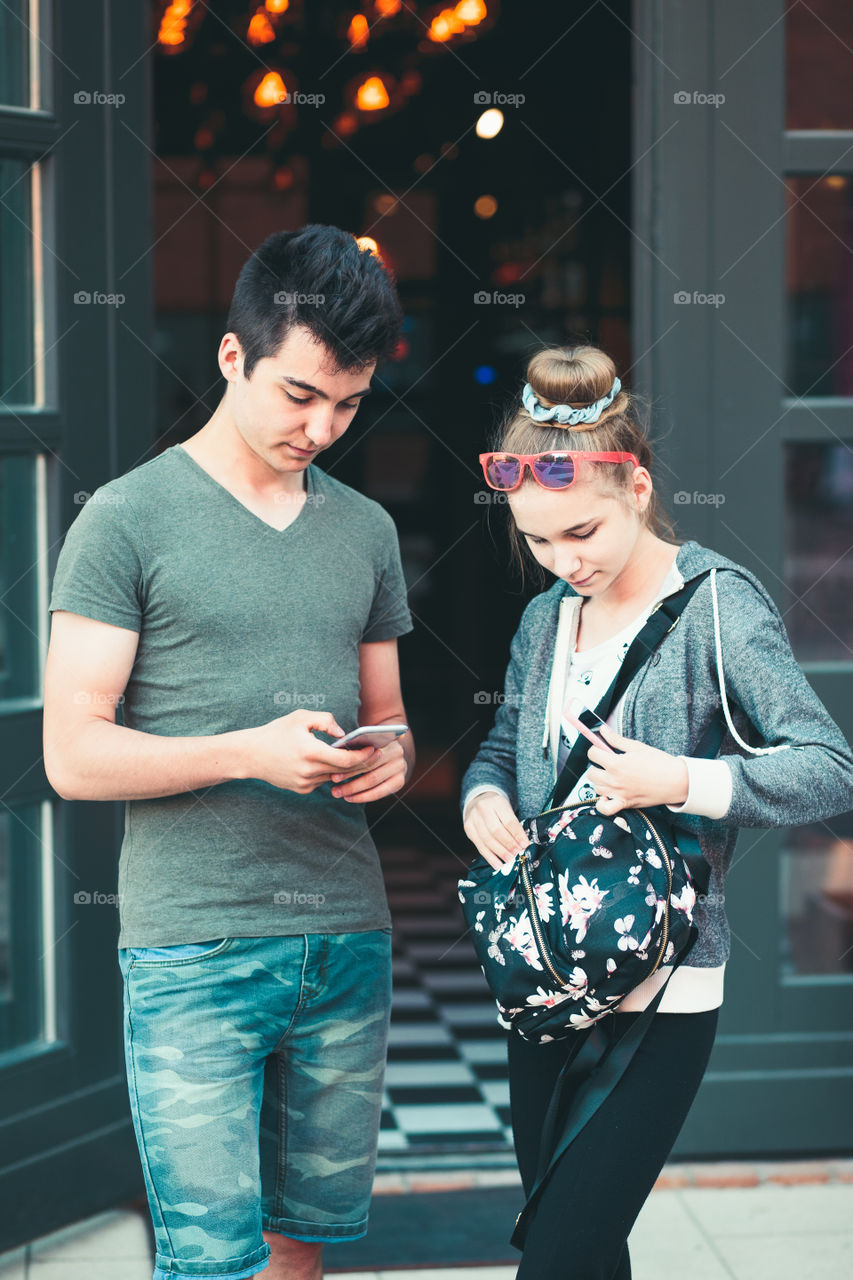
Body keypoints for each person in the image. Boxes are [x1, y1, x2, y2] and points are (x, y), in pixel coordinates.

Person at [43, 225, 415, 1280]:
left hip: (346, 934)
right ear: (230, 355)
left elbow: (388, 714)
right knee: (209, 1262)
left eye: (347, 402)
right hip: (193, 947)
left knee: (305, 1251)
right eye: (299, 394)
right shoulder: (124, 520)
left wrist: (387, 758)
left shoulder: (367, 531)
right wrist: (249, 750)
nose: (324, 426)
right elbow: (73, 754)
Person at [460, 343, 853, 1280]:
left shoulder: (717, 607)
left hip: (663, 985)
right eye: (539, 541)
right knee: (587, 1252)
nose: (563, 561)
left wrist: (679, 780)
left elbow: (829, 768)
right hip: (548, 977)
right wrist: (480, 793)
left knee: (554, 1256)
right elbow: (505, 743)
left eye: (583, 533)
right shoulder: (544, 618)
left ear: (635, 486)